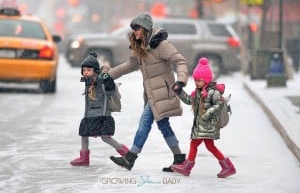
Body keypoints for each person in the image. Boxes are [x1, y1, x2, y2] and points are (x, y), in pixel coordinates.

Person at [107, 11, 189, 172]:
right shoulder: (141, 47)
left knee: (144, 122)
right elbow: (130, 65)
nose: (134, 31)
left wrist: (181, 81)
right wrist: (108, 75)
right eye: (133, 28)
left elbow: (180, 61)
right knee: (163, 125)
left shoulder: (162, 45)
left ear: (145, 28)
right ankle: (179, 158)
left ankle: (130, 158)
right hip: (152, 94)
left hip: (163, 93)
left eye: (137, 28)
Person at [171, 57, 236, 177]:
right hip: (202, 126)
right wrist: (179, 91)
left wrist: (207, 114)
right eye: (195, 80)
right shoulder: (198, 92)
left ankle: (187, 167)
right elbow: (189, 100)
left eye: (199, 80)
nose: (196, 83)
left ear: (206, 80)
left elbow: (219, 103)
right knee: (210, 146)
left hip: (208, 125)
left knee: (194, 144)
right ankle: (228, 167)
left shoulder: (212, 92)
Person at [70, 52, 129, 166]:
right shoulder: (88, 81)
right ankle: (84, 158)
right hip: (90, 114)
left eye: (89, 69)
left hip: (102, 115)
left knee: (105, 138)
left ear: (95, 71)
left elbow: (110, 91)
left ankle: (126, 153)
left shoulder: (101, 80)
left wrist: (107, 80)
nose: (85, 72)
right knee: (84, 133)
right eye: (84, 70)